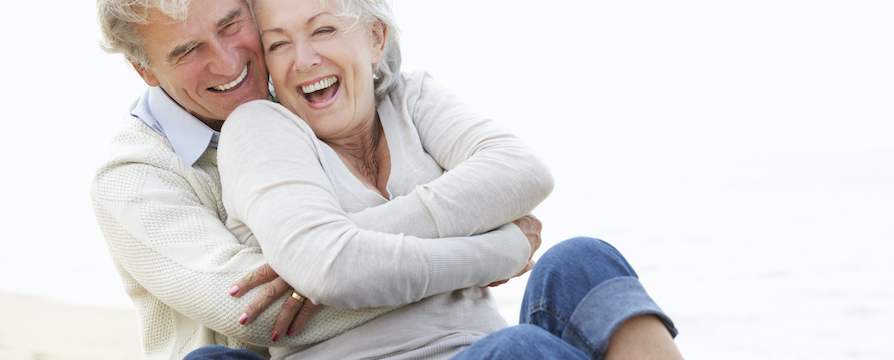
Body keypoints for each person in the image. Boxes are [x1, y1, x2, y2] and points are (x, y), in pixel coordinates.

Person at [200, 0, 683, 359]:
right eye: (278, 43)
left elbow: (524, 172)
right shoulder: (262, 129)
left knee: (582, 259)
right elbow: (331, 268)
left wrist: (341, 243)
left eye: (324, 29)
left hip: (482, 346)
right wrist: (501, 249)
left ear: (375, 37)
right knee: (520, 349)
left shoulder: (411, 99)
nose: (302, 60)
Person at [91, 0, 552, 358]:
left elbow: (325, 264)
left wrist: (332, 253)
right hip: (240, 356)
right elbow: (257, 310)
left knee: (582, 264)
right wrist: (498, 251)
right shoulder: (132, 178)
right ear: (145, 69)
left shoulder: (305, 102)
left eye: (231, 23)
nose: (229, 62)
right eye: (188, 50)